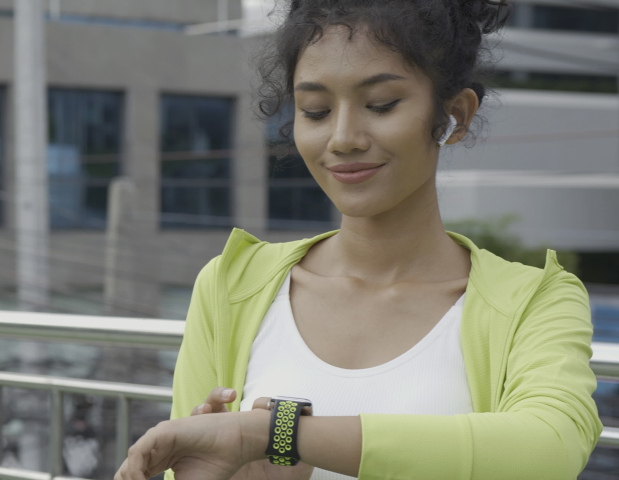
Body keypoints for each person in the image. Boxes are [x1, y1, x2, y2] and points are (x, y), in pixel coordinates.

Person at [114, 0, 603, 479]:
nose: (343, 137)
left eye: (380, 104)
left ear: (455, 114)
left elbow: (549, 448)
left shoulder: (535, 302)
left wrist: (272, 434)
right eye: (316, 110)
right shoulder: (230, 285)